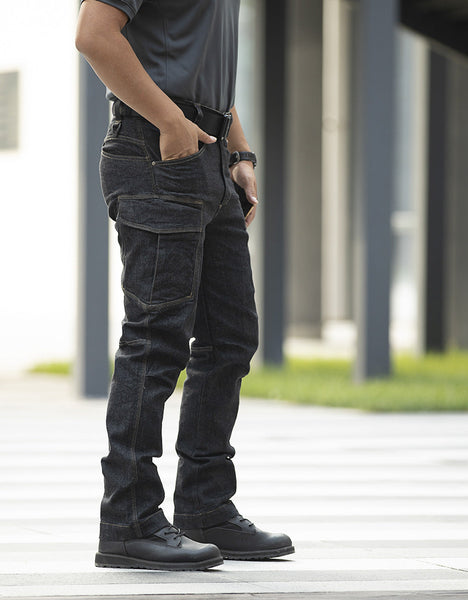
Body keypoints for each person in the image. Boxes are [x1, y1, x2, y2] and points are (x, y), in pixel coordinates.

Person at [75, 0, 294, 571]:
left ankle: (205, 506)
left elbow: (202, 67)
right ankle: (127, 521)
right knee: (156, 338)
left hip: (210, 152)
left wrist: (239, 149)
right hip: (156, 149)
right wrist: (170, 121)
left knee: (230, 338)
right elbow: (95, 36)